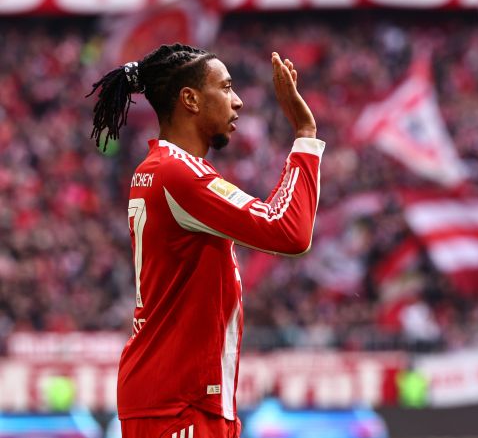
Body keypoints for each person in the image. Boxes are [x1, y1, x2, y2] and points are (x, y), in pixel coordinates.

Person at [87, 43, 324, 438]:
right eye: (226, 87)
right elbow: (288, 230)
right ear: (191, 99)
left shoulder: (161, 169)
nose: (239, 102)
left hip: (182, 400)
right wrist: (305, 135)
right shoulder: (177, 175)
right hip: (180, 404)